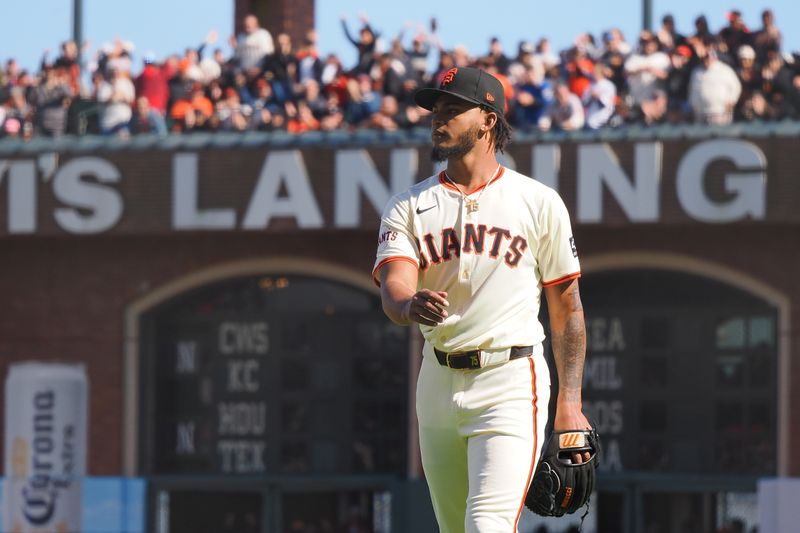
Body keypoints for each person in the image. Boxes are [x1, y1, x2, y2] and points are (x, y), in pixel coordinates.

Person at [372, 66, 591, 532]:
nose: (438, 118)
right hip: (437, 379)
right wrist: (409, 304)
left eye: (453, 109)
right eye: (436, 109)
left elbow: (567, 309)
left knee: (487, 526)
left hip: (511, 379)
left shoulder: (538, 201)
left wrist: (569, 403)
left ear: (488, 120)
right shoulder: (408, 204)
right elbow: (395, 288)